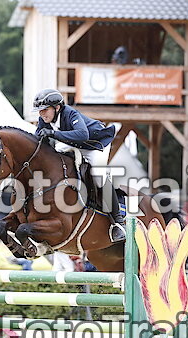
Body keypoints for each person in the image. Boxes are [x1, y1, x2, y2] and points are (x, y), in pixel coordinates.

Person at [32, 89, 123, 242]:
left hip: (94, 145)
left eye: (45, 110)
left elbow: (83, 134)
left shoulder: (70, 113)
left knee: (99, 176)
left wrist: (53, 134)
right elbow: (38, 141)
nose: (42, 114)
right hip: (72, 144)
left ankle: (118, 222)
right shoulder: (44, 120)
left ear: (57, 107)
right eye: (40, 111)